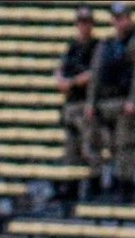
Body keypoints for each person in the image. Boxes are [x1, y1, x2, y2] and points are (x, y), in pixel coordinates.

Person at [84, 2, 135, 203]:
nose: (120, 22)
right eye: (117, 18)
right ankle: (104, 183)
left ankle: (125, 184)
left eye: (123, 18)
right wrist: (90, 102)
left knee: (125, 145)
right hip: (106, 102)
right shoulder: (107, 44)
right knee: (105, 144)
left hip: (124, 102)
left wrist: (134, 100)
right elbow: (96, 74)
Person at [54, 5, 98, 210]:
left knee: (89, 148)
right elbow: (60, 70)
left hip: (86, 104)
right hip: (71, 105)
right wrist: (62, 80)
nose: (83, 26)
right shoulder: (72, 46)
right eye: (81, 22)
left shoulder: (98, 46)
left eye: (87, 22)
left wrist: (71, 83)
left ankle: (93, 189)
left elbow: (94, 73)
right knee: (70, 151)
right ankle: (69, 191)